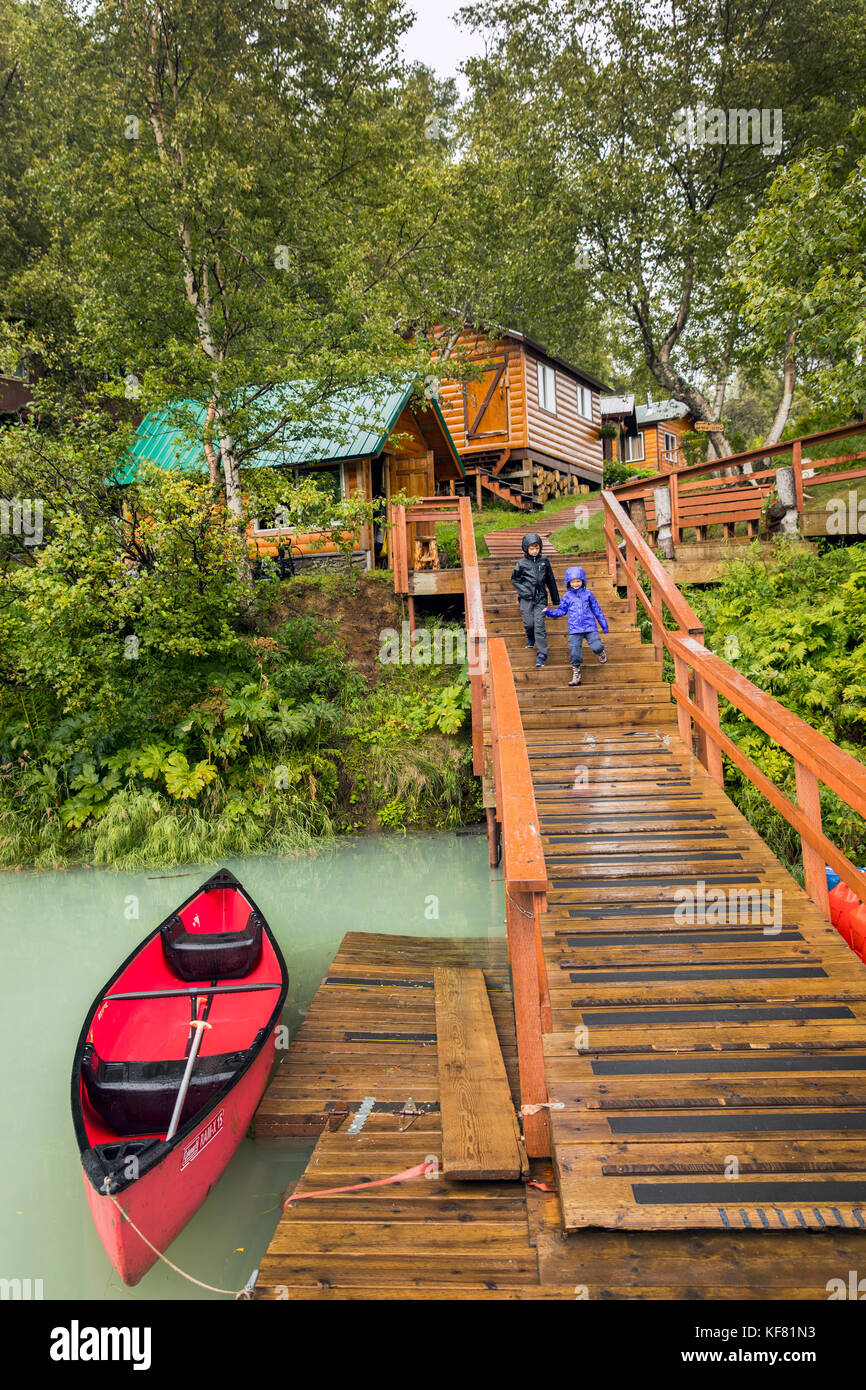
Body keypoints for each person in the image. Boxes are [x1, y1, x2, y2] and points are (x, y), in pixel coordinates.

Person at [544, 565, 609, 686]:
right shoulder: (567, 597)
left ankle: (601, 653)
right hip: (575, 629)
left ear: (583, 581)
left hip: (590, 626)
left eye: (578, 581)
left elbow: (597, 609)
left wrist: (603, 624)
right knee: (574, 652)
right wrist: (549, 612)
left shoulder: (588, 594)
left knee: (597, 646)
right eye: (573, 582)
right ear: (568, 582)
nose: (575, 584)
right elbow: (561, 611)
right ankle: (576, 673)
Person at [510, 532, 560, 668]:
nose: (534, 551)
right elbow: (514, 580)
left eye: (537, 548)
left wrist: (556, 600)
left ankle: (542, 655)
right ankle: (530, 638)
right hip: (526, 599)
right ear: (526, 548)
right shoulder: (521, 563)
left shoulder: (544, 562)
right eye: (531, 548)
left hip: (541, 599)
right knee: (529, 624)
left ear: (540, 548)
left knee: (539, 626)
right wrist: (525, 593)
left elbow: (551, 581)